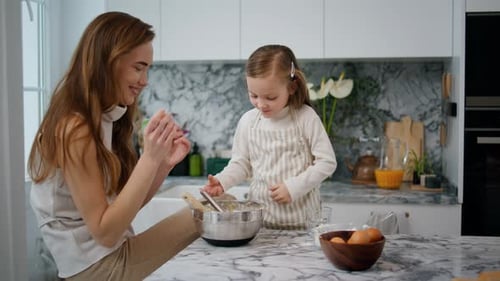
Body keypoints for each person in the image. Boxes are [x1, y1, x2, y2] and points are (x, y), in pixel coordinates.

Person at [28, 12, 199, 280]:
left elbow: (122, 211)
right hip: (96, 268)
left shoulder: (102, 120)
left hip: (108, 255)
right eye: (138, 67)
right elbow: (106, 233)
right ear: (109, 63)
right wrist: (149, 159)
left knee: (210, 212)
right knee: (206, 215)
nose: (145, 80)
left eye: (147, 69)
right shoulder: (76, 129)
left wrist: (164, 164)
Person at [203, 45, 337, 230]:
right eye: (254, 95)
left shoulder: (305, 117)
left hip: (303, 225)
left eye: (271, 97)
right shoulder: (248, 121)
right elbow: (241, 164)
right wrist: (222, 181)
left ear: (292, 87)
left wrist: (293, 187)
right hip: (260, 225)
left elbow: (327, 162)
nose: (261, 104)